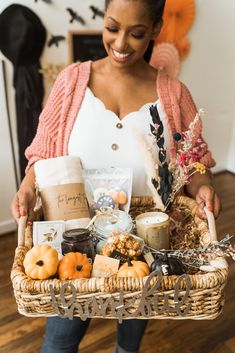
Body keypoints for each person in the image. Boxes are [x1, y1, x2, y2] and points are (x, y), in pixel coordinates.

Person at [11, 0, 221, 352]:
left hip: (144, 247)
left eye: (137, 33)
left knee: (132, 329)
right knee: (59, 342)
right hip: (72, 243)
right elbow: (42, 155)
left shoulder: (172, 93)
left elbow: (194, 160)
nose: (121, 44)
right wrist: (26, 189)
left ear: (155, 30)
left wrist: (203, 187)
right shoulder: (71, 82)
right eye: (112, 28)